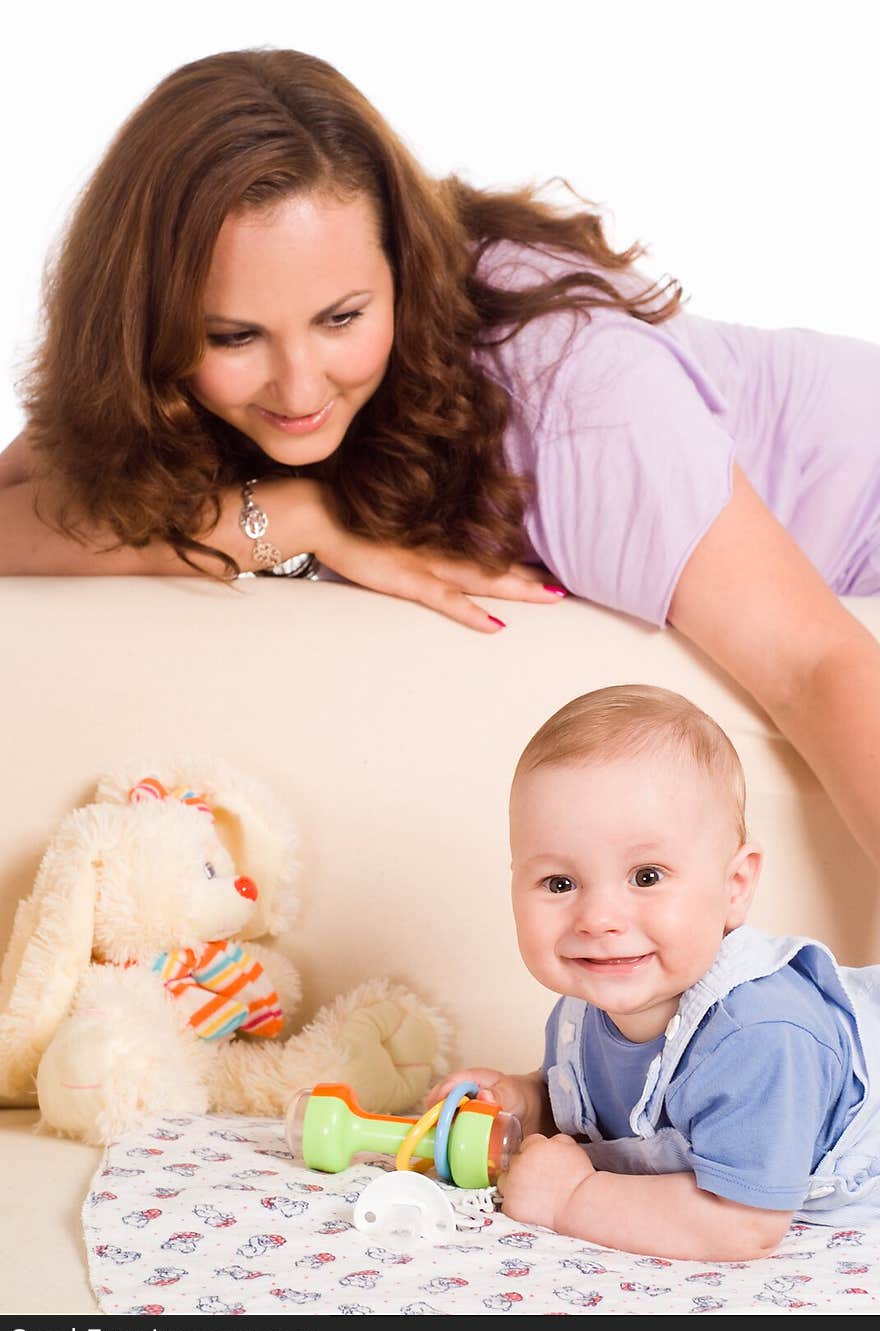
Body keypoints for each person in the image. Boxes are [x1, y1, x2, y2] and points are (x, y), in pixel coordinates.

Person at [2, 50, 880, 879]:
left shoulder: (567, 391)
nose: (299, 384)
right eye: (234, 336)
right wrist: (301, 517)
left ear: (404, 269)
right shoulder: (175, 385)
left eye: (342, 318)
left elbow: (814, 666)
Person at [429, 685, 880, 1261]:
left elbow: (742, 1223)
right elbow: (612, 1119)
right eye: (560, 884)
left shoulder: (760, 1035)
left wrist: (572, 1198)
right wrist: (526, 1101)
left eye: (646, 876)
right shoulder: (588, 1008)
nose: (598, 919)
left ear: (734, 886)